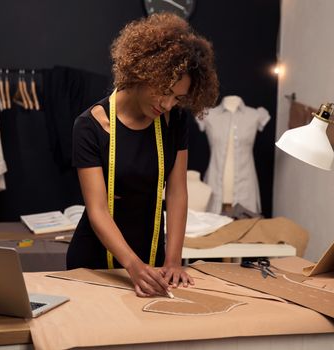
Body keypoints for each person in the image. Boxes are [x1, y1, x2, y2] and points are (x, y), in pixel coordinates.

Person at [66, 13, 219, 297]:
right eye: (164, 92)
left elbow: (176, 193)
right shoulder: (89, 126)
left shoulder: (174, 122)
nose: (168, 104)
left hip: (153, 260)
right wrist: (133, 265)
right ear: (142, 72)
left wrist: (173, 261)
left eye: (178, 97)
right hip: (94, 262)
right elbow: (97, 209)